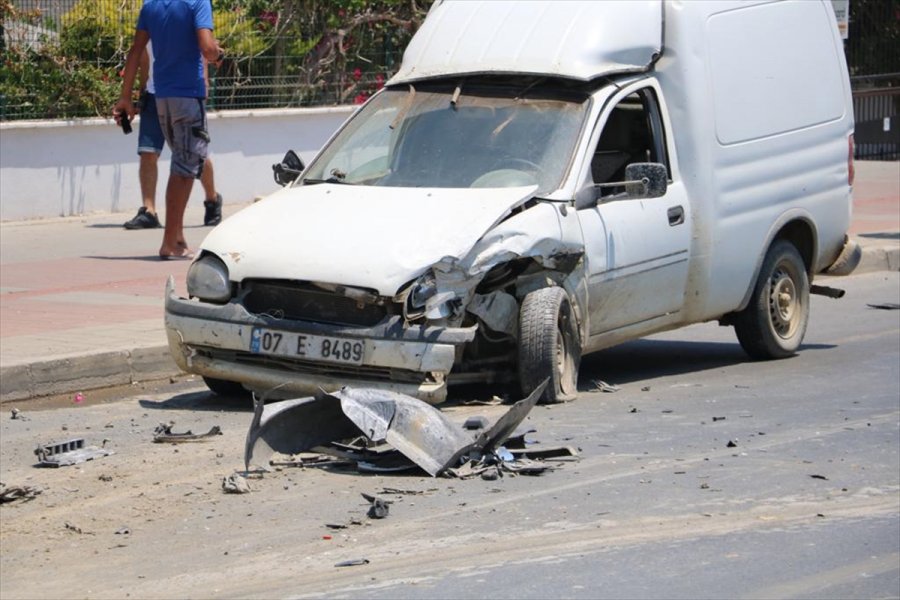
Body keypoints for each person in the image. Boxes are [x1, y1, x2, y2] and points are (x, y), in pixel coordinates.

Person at [114, 0, 222, 259]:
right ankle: (169, 243)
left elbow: (136, 50)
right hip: (187, 96)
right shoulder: (197, 3)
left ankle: (179, 238)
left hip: (161, 96)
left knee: (182, 163)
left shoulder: (151, 5)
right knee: (184, 170)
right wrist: (219, 54)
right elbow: (207, 48)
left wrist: (125, 96)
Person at [124, 43, 223, 230]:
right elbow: (144, 58)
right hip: (154, 97)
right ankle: (149, 210)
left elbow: (203, 51)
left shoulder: (187, 15)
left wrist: (204, 84)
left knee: (195, 154)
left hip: (183, 95)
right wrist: (142, 91)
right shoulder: (149, 21)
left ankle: (212, 199)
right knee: (147, 151)